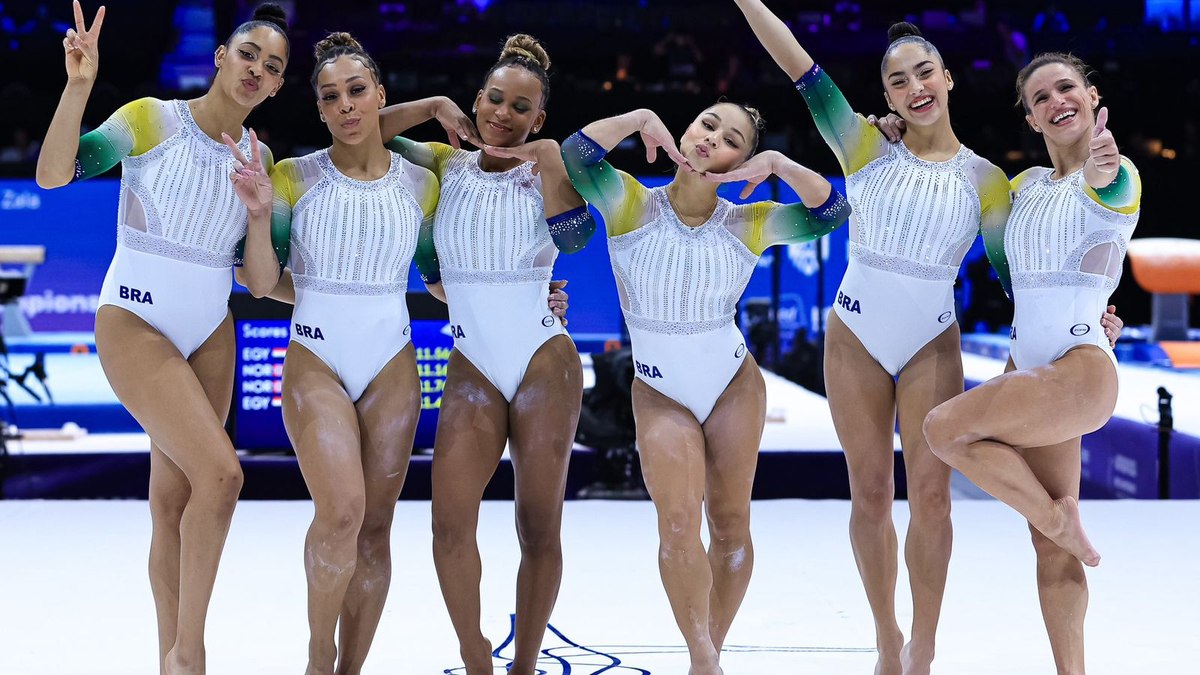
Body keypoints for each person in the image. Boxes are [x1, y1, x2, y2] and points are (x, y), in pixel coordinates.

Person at [35, 4, 290, 673]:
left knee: (175, 500)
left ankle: (168, 658)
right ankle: (190, 654)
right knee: (224, 474)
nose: (256, 70)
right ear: (220, 58)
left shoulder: (262, 157)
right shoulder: (151, 118)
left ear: (277, 85)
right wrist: (79, 87)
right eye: (247, 55)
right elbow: (54, 173)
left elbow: (261, 279)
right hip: (134, 321)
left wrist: (263, 216)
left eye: (271, 67)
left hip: (210, 330)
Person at [560, 101, 851, 674]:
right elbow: (575, 155)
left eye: (732, 141)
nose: (711, 139)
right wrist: (640, 117)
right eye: (707, 124)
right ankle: (703, 657)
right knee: (675, 524)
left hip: (732, 384)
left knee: (730, 524)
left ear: (740, 163)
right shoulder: (628, 201)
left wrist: (777, 163)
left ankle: (706, 655)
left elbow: (832, 212)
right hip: (660, 391)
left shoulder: (752, 222)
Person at [379, 34, 593, 675]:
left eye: (520, 108)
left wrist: (550, 158)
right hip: (470, 362)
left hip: (541, 362)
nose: (503, 114)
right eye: (493, 99)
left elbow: (576, 240)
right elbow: (367, 133)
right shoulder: (443, 164)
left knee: (538, 527)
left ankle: (524, 664)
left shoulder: (549, 168)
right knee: (448, 525)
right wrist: (435, 104)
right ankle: (476, 655)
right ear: (477, 100)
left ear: (539, 119)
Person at [227, 32, 439, 675]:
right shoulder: (291, 177)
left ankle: (351, 669)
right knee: (342, 511)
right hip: (315, 358)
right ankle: (321, 658)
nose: (345, 105)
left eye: (356, 91)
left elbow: (437, 281)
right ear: (318, 110)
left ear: (379, 94)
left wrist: (534, 296)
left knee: (375, 528)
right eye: (329, 97)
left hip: (392, 363)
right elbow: (260, 282)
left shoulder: (422, 184)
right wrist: (260, 218)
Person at [924, 53, 1140, 675]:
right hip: (1028, 366)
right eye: (1041, 97)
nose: (1057, 102)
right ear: (1030, 117)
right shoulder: (1019, 190)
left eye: (1067, 88)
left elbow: (1115, 187)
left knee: (943, 429)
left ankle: (1057, 517)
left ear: (1092, 96)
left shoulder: (1115, 170)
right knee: (1051, 553)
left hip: (1078, 370)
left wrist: (1103, 165)